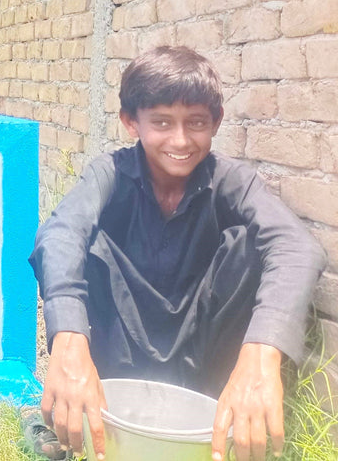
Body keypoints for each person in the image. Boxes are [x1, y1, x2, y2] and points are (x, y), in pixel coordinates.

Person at [28, 46, 326, 461]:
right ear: (131, 122)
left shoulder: (231, 181)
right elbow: (59, 233)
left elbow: (297, 247)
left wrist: (262, 353)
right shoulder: (110, 173)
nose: (181, 140)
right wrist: (69, 341)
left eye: (196, 123)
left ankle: (227, 412)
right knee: (82, 240)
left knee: (253, 246)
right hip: (120, 356)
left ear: (216, 123)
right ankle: (77, 411)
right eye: (162, 122)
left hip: (201, 362)